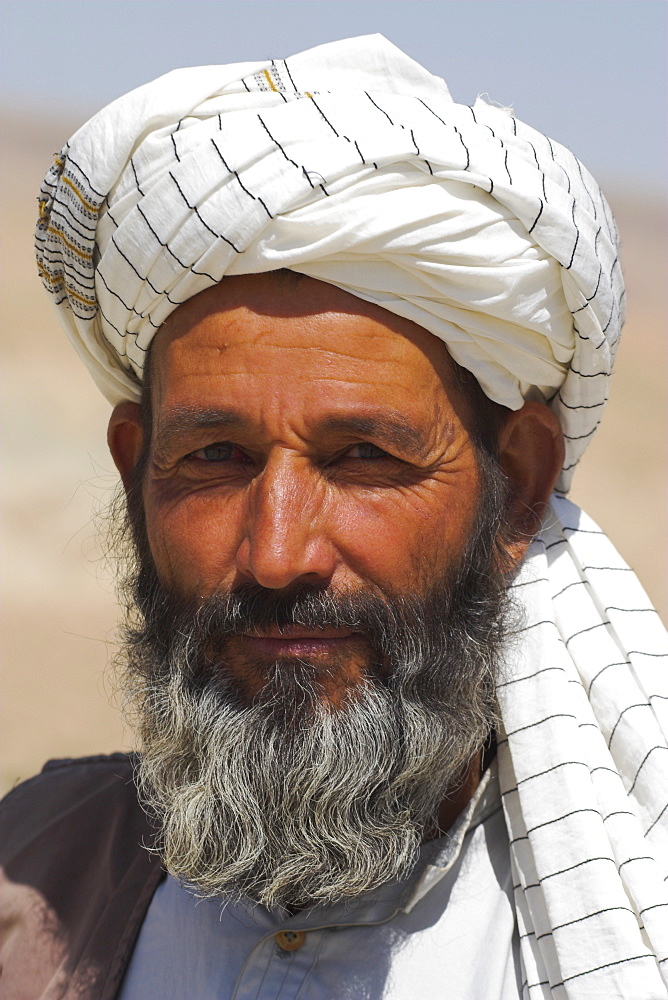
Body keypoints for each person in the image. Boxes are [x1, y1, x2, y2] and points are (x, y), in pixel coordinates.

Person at [1, 34, 666, 1000]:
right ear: (135, 471)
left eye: (365, 458)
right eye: (214, 457)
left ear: (518, 484)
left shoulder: (629, 905)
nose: (277, 554)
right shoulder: (39, 876)